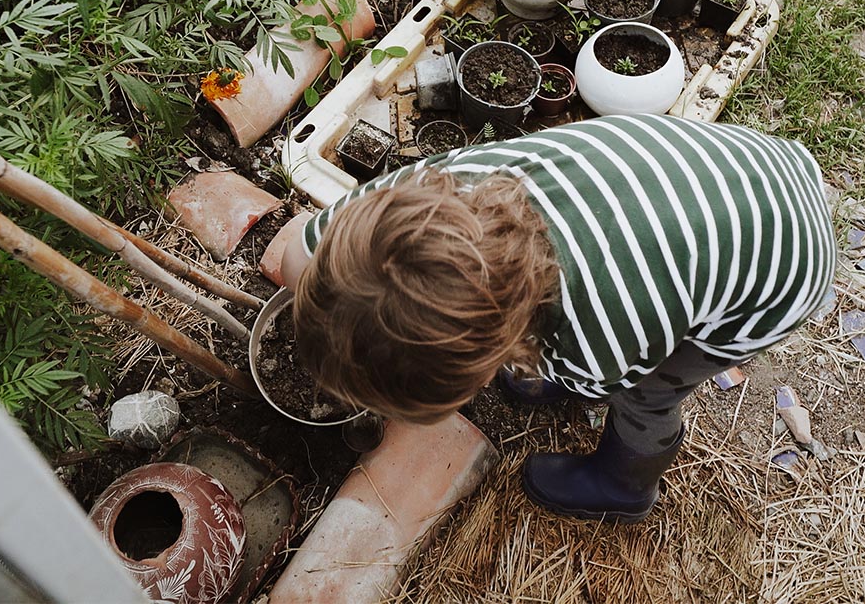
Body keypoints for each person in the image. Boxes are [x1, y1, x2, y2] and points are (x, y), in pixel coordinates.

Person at [281, 114, 836, 523]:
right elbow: (302, 251)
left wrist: (567, 378)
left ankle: (624, 486)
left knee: (649, 394)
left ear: (494, 356)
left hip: (783, 269)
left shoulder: (601, 334)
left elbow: (616, 375)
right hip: (747, 166)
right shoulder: (436, 189)